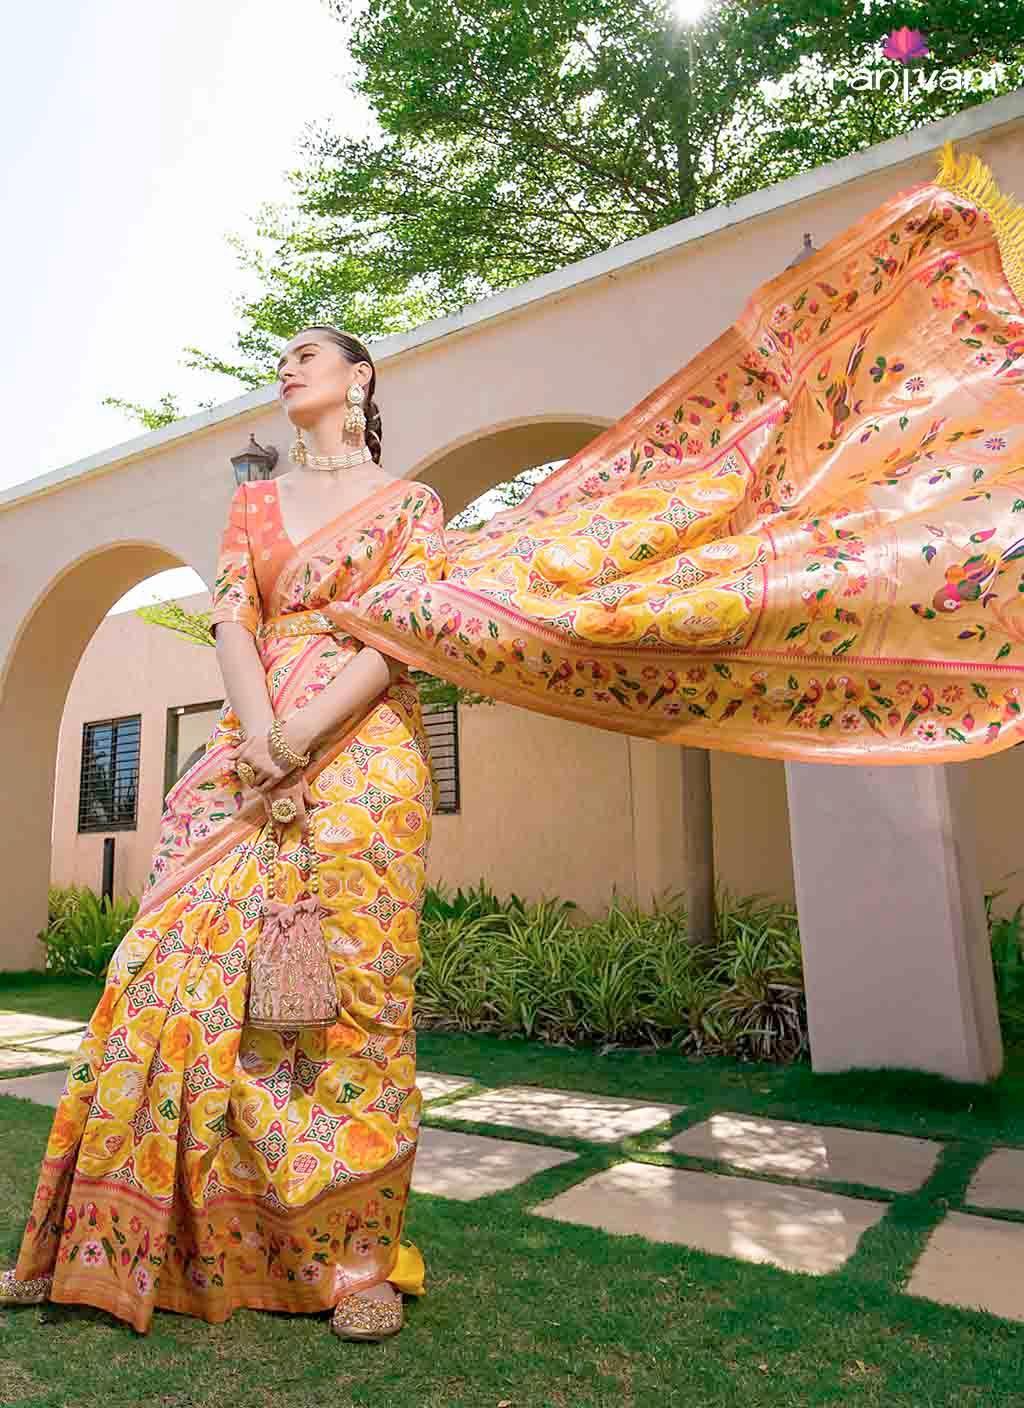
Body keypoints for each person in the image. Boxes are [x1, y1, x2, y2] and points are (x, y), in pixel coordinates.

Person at [1, 326, 445, 1341]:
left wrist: (302, 733)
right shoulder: (255, 504)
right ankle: (124, 1236)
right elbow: (234, 619)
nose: (287, 366)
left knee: (359, 1001)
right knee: (160, 971)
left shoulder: (411, 507)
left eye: (307, 354)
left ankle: (357, 1262)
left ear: (359, 377)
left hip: (363, 758)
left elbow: (399, 634)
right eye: (281, 356)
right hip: (245, 755)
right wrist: (262, 740)